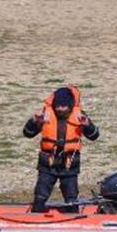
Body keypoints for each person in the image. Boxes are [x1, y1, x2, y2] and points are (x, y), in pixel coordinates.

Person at [23, 85, 99, 213]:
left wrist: (88, 125)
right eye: (57, 105)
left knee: (71, 197)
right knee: (40, 195)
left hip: (70, 164)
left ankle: (73, 220)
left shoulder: (80, 116)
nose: (60, 109)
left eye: (63, 106)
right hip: (48, 163)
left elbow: (94, 136)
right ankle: (35, 216)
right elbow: (27, 133)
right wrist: (34, 122)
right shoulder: (45, 115)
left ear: (70, 105)